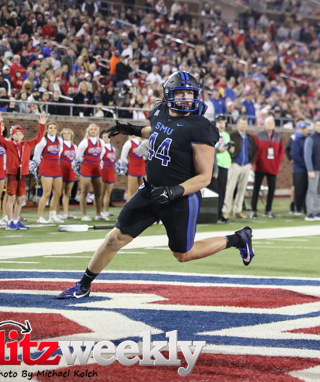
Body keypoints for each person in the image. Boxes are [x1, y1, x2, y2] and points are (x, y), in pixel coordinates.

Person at [57, 71, 254, 299]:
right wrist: (131, 129)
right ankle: (83, 285)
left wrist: (173, 191)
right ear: (168, 94)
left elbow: (204, 177)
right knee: (114, 238)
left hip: (180, 198)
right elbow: (159, 130)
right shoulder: (159, 111)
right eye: (180, 92)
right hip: (149, 190)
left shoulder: (200, 127)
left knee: (183, 254)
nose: (186, 98)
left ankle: (238, 239)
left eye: (190, 93)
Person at [0, 113, 47, 230]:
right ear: (12, 136)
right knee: (11, 197)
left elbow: (38, 138)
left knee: (20, 198)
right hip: (13, 173)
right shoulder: (8, 144)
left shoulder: (27, 144)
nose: (18, 135)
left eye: (20, 134)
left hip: (22, 174)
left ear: (23, 135)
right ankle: (9, 221)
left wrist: (42, 125)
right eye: (16, 134)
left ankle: (16, 220)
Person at [249, 116, 284, 218]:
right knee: (256, 188)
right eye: (268, 123)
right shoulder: (258, 136)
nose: (270, 125)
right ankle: (253, 210)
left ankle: (268, 210)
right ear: (264, 124)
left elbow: (281, 152)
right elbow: (254, 151)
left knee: (272, 189)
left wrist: (277, 163)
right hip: (260, 166)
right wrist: (255, 163)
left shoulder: (278, 137)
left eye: (272, 123)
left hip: (273, 166)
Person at [223, 117, 256, 220]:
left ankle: (238, 210)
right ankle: (226, 210)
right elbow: (228, 148)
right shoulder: (232, 136)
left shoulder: (250, 137)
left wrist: (251, 163)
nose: (243, 126)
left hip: (246, 166)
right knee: (230, 188)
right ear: (237, 125)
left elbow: (255, 151)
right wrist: (232, 160)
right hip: (235, 165)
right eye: (241, 124)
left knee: (242, 190)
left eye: (245, 124)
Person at [32, 121, 64, 224]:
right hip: (46, 167)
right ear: (47, 130)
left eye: (54, 128)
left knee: (58, 193)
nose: (53, 130)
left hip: (56, 167)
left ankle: (52, 215)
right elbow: (36, 156)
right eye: (50, 128)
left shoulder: (59, 140)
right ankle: (40, 217)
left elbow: (59, 153)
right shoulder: (43, 141)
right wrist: (43, 164)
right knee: (46, 193)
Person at [76, 123, 104, 221]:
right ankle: (84, 215)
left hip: (96, 169)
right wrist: (87, 161)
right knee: (84, 192)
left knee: (98, 192)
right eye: (91, 129)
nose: (93, 131)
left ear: (98, 131)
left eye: (95, 129)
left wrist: (98, 162)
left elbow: (102, 154)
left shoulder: (101, 142)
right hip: (86, 168)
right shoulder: (84, 142)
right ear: (88, 131)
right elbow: (78, 157)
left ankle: (98, 214)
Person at [304, 120, 320, 221]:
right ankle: (310, 213)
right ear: (315, 127)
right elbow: (307, 155)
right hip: (314, 170)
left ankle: (317, 212)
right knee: (312, 191)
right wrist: (310, 169)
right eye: (318, 125)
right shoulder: (311, 139)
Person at [287, 122, 309, 216]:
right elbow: (295, 155)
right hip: (299, 169)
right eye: (303, 129)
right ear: (299, 129)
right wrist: (305, 165)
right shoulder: (296, 140)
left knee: (306, 190)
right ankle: (297, 207)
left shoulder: (307, 139)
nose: (305, 130)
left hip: (306, 169)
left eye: (305, 128)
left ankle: (304, 208)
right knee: (299, 190)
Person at [213, 116, 231, 222]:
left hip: (225, 164)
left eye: (223, 122)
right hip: (216, 165)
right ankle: (215, 214)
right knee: (217, 191)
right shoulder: (212, 133)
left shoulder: (226, 135)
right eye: (220, 122)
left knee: (223, 191)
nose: (222, 124)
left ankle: (220, 213)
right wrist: (217, 150)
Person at [120, 134, 146, 203]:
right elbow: (122, 158)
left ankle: (142, 209)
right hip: (133, 169)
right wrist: (130, 163)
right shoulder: (128, 143)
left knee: (144, 190)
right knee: (131, 190)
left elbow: (146, 155)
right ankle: (128, 210)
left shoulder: (142, 142)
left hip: (142, 168)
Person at [59, 128, 77, 220]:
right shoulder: (60, 145)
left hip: (71, 170)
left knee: (67, 193)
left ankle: (66, 213)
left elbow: (76, 159)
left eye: (68, 133)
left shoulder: (74, 146)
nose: (66, 135)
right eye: (64, 133)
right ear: (62, 135)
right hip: (62, 169)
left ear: (71, 135)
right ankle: (56, 212)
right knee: (58, 192)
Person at [99, 130, 117, 219]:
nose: (107, 138)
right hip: (103, 171)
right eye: (104, 137)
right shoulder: (102, 148)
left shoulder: (113, 148)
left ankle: (106, 211)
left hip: (110, 171)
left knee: (108, 192)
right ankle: (99, 211)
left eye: (108, 136)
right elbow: (98, 159)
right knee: (101, 193)